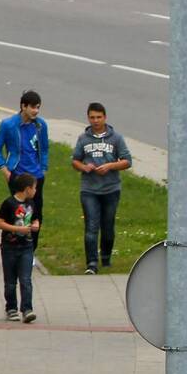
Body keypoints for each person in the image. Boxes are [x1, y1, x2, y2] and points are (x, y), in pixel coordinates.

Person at [71, 102, 132, 274]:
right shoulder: (83, 139)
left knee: (108, 226)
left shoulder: (116, 138)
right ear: (88, 118)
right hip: (89, 189)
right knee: (91, 225)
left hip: (111, 189)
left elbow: (127, 161)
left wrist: (110, 166)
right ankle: (91, 263)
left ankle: (105, 258)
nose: (95, 121)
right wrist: (83, 167)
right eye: (92, 117)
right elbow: (75, 160)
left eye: (99, 117)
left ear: (105, 117)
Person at [0, 90, 48, 251]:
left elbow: (44, 149)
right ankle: (14, 244)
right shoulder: (9, 125)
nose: (36, 111)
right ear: (23, 106)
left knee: (36, 212)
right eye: (32, 107)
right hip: (17, 174)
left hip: (36, 175)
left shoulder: (40, 125)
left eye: (38, 107)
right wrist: (4, 168)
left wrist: (43, 168)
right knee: (19, 210)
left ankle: (31, 250)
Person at [0, 174, 40, 323]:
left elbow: (35, 218)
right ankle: (11, 308)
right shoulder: (9, 203)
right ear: (27, 189)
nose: (35, 190)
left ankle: (27, 309)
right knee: (10, 281)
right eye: (34, 188)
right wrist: (15, 228)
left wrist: (35, 225)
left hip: (27, 246)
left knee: (26, 279)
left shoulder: (32, 203)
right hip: (9, 247)